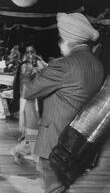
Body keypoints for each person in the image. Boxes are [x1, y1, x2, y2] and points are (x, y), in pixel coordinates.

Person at [21, 12, 104, 193]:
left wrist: (26, 72)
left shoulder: (63, 65)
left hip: (55, 144)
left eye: (60, 38)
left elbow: (28, 92)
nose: (59, 44)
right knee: (63, 186)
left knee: (53, 189)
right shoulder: (97, 65)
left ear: (67, 39)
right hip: (79, 144)